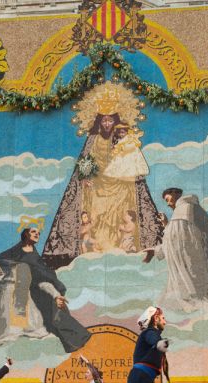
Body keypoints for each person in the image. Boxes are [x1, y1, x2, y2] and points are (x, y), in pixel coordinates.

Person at [43, 83, 163, 269]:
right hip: (97, 187)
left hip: (121, 186)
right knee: (97, 219)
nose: (107, 124)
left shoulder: (123, 140)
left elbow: (131, 161)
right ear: (99, 121)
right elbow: (85, 162)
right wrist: (86, 177)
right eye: (104, 120)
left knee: (121, 217)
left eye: (110, 120)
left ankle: (126, 252)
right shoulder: (93, 139)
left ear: (116, 121)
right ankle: (94, 253)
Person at [0, 228, 91, 356]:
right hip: (7, 299)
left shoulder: (36, 259)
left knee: (45, 319)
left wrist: (56, 295)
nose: (37, 234)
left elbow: (43, 279)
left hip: (28, 298)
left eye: (38, 232)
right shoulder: (13, 254)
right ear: (26, 235)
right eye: (33, 232)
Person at [121, 306, 169, 383]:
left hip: (146, 380)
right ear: (156, 318)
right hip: (140, 377)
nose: (165, 321)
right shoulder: (149, 333)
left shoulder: (153, 334)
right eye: (163, 318)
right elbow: (154, 340)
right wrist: (161, 343)